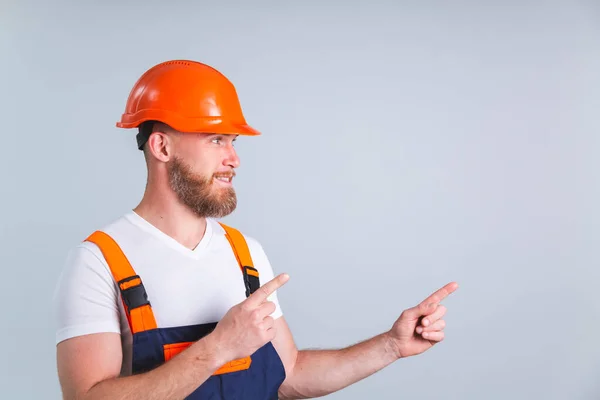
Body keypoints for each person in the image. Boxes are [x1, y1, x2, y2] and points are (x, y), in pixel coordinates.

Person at [53, 59, 458, 400]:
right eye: (216, 140)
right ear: (162, 147)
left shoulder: (243, 252)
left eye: (233, 141)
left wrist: (390, 345)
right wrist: (217, 348)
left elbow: (290, 373)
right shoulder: (99, 261)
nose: (234, 159)